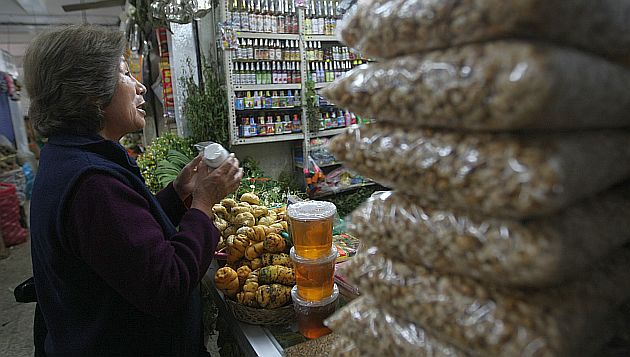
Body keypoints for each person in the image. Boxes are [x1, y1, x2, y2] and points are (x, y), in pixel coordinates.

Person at [24, 25, 243, 356]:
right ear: (91, 93)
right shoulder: (92, 183)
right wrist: (203, 205)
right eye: (126, 74)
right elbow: (167, 284)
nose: (141, 87)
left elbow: (120, 244)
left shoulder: (69, 158)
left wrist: (177, 193)